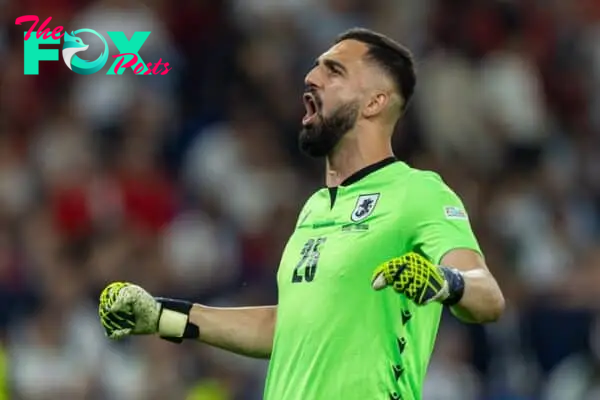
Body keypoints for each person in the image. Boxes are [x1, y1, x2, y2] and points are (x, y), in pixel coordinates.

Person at [98, 27, 505, 400]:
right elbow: (284, 329)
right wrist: (161, 316)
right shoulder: (314, 208)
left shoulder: (417, 192)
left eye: (334, 71)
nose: (312, 78)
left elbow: (487, 295)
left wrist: (444, 282)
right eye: (315, 67)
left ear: (375, 102)